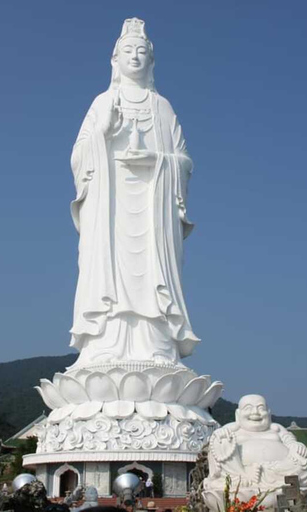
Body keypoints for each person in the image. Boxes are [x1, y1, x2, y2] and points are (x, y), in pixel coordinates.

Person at [68, 18, 200, 368]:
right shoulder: (102, 103)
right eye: (128, 50)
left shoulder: (163, 108)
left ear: (151, 61)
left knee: (152, 273)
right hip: (110, 204)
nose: (135, 57)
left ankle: (157, 344)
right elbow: (78, 156)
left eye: (142, 51)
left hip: (152, 203)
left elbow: (184, 160)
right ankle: (104, 344)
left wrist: (158, 160)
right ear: (115, 59)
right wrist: (103, 134)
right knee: (107, 269)